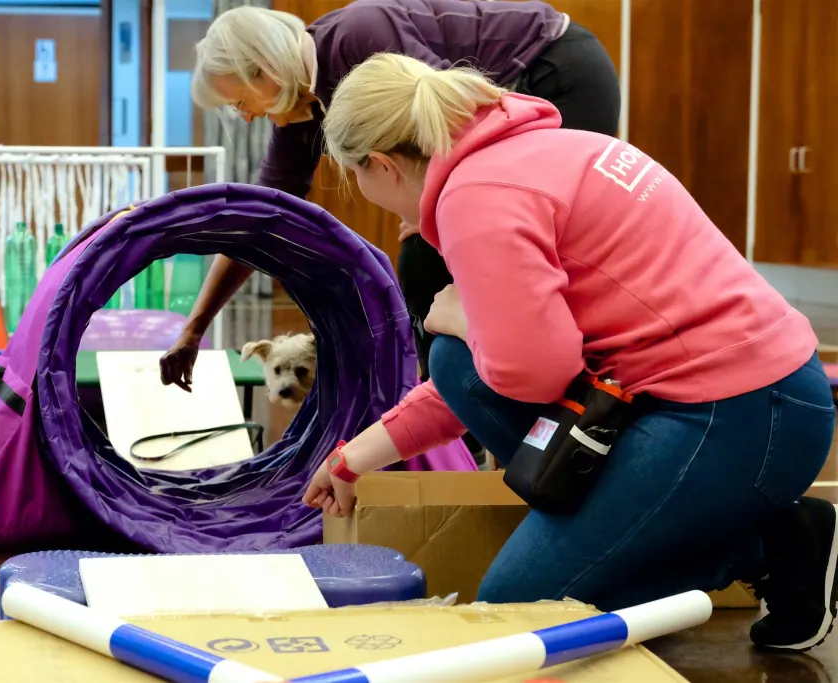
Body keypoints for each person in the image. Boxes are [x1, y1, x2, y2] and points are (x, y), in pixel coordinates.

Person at [302, 51, 838, 653]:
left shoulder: (477, 198)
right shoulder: (550, 149)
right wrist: (353, 459)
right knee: (456, 359)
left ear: (380, 166)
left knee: (516, 619)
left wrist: (460, 316)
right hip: (755, 401)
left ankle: (755, 547)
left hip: (737, 414)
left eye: (359, 181)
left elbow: (534, 373)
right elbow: (483, 374)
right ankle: (761, 536)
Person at [160, 0, 621, 461]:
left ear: (263, 73)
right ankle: (465, 438)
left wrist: (432, 202)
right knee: (425, 264)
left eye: (240, 101)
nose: (244, 116)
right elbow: (256, 224)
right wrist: (194, 329)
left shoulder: (359, 36)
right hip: (496, 111)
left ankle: (525, 425)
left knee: (436, 258)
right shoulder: (304, 107)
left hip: (554, 68)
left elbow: (464, 106)